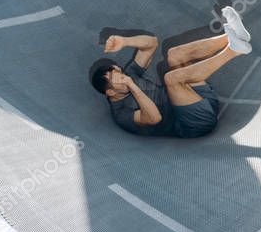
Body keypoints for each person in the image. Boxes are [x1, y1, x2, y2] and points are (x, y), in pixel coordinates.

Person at [89, 7, 252, 138]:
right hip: (195, 123)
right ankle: (234, 51)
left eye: (119, 71)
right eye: (117, 79)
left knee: (174, 54)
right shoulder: (121, 113)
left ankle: (232, 35)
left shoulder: (129, 74)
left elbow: (151, 43)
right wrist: (131, 85)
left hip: (199, 98)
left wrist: (125, 41)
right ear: (110, 92)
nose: (123, 75)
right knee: (171, 79)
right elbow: (154, 118)